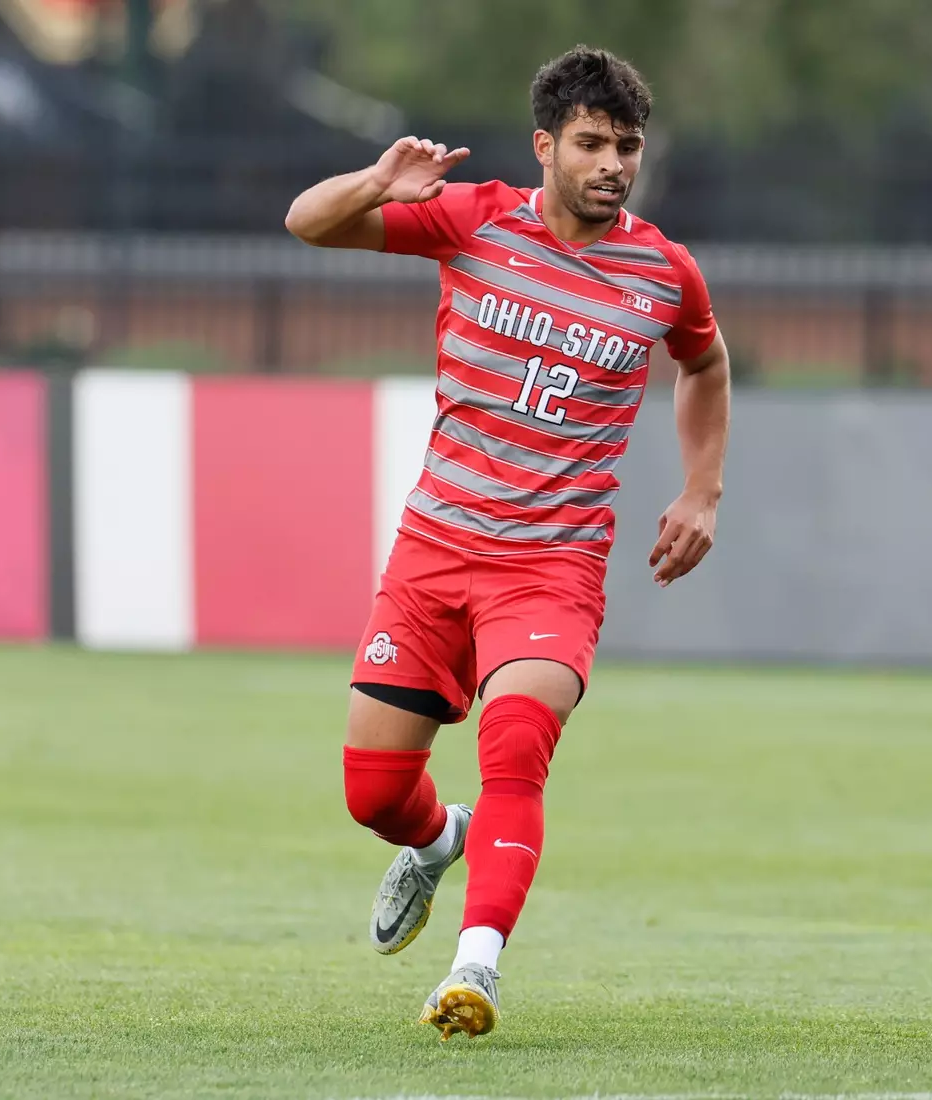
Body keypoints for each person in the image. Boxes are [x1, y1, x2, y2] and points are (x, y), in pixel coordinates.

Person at [283, 45, 730, 1040]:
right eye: (591, 143)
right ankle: (437, 840)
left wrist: (702, 487)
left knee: (516, 749)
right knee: (374, 793)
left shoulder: (663, 270)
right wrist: (374, 182)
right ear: (546, 145)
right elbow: (306, 224)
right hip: (434, 553)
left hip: (551, 565)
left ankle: (474, 967)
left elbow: (705, 360)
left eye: (627, 146)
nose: (613, 163)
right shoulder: (475, 218)